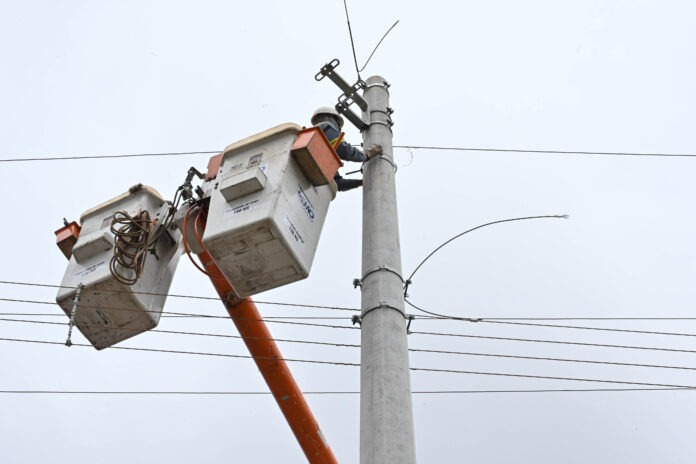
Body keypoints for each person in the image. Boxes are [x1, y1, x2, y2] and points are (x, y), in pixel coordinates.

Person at [311, 106, 381, 191]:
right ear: (334, 120)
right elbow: (344, 150)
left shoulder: (319, 147)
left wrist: (360, 182)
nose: (339, 129)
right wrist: (367, 155)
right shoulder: (325, 126)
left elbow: (337, 184)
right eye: (339, 126)